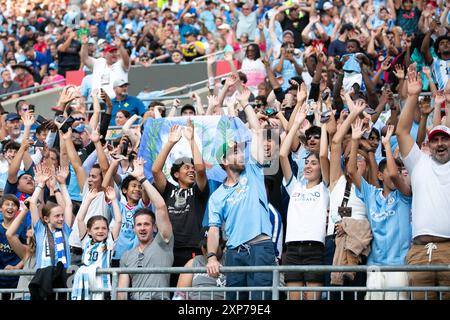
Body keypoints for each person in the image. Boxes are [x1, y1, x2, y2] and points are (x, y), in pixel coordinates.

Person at [206, 87, 276, 300]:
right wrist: (211, 257)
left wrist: (246, 104)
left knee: (260, 303)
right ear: (225, 161)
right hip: (234, 253)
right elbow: (214, 230)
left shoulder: (253, 170)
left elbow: (256, 131)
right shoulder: (217, 196)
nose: (241, 154)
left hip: (260, 247)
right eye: (235, 151)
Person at [396, 68, 450, 300]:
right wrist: (412, 96)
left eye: (444, 139)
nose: (439, 143)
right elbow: (401, 131)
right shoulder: (419, 162)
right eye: (434, 139)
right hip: (419, 252)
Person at [348, 122, 412, 300]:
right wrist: (354, 141)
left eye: (400, 171)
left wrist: (386, 146)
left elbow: (393, 174)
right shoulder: (371, 194)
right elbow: (352, 171)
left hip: (399, 266)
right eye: (393, 171)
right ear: (379, 176)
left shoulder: (405, 195)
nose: (397, 174)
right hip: (375, 266)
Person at [279, 104, 329, 300]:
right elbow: (283, 155)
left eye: (313, 163)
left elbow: (324, 154)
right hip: (291, 249)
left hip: (314, 248)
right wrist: (296, 124)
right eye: (306, 162)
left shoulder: (325, 187)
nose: (308, 166)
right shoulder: (295, 186)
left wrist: (323, 125)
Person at [152, 120, 209, 288]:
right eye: (186, 168)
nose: (191, 170)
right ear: (176, 174)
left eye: (192, 168)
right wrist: (170, 142)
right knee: (169, 291)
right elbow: (156, 170)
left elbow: (200, 170)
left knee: (188, 293)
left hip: (192, 248)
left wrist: (191, 141)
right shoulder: (168, 189)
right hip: (168, 249)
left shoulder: (198, 191)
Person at [118, 158, 174, 300]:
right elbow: (121, 292)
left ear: (154, 227)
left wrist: (142, 178)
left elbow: (161, 207)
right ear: (134, 228)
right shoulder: (126, 256)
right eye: (139, 225)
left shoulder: (164, 243)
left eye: (146, 224)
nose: (142, 228)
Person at [71, 186, 122, 300]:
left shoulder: (109, 243)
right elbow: (80, 219)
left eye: (104, 228)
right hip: (86, 286)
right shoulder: (86, 241)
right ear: (89, 231)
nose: (100, 231)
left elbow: (118, 221)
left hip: (103, 288)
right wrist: (88, 200)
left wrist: (113, 200)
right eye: (96, 228)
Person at [174, 227, 226, 300]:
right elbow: (180, 295)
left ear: (221, 244)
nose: (208, 249)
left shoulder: (229, 261)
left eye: (211, 245)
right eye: (205, 246)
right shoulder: (194, 262)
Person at [5, 200, 36, 300]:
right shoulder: (27, 253)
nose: (28, 241)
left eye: (31, 238)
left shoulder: (50, 253)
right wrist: (25, 209)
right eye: (27, 238)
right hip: (21, 297)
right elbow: (9, 234)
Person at [0, 194, 27, 300]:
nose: (10, 207)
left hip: (17, 279)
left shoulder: (23, 229)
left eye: (14, 205)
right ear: (1, 208)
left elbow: (29, 253)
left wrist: (17, 267)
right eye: (7, 204)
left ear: (17, 209)